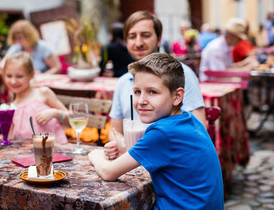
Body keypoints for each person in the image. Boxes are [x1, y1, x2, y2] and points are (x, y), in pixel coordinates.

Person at [88, 53, 224, 210]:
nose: (141, 101)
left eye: (152, 92)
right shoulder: (189, 120)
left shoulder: (163, 132)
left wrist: (95, 155)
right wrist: (126, 152)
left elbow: (108, 172)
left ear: (177, 96)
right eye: (137, 91)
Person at [105, 11, 206, 159]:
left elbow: (199, 128)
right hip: (133, 162)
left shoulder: (181, 74)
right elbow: (114, 130)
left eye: (145, 35)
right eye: (132, 37)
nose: (138, 43)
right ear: (126, 42)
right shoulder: (123, 82)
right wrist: (119, 144)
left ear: (159, 40)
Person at [4, 51, 68, 143]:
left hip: (53, 148)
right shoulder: (12, 105)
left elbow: (71, 117)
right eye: (9, 76)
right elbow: (10, 136)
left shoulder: (42, 93)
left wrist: (55, 113)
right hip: (25, 152)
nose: (13, 81)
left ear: (31, 75)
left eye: (19, 76)